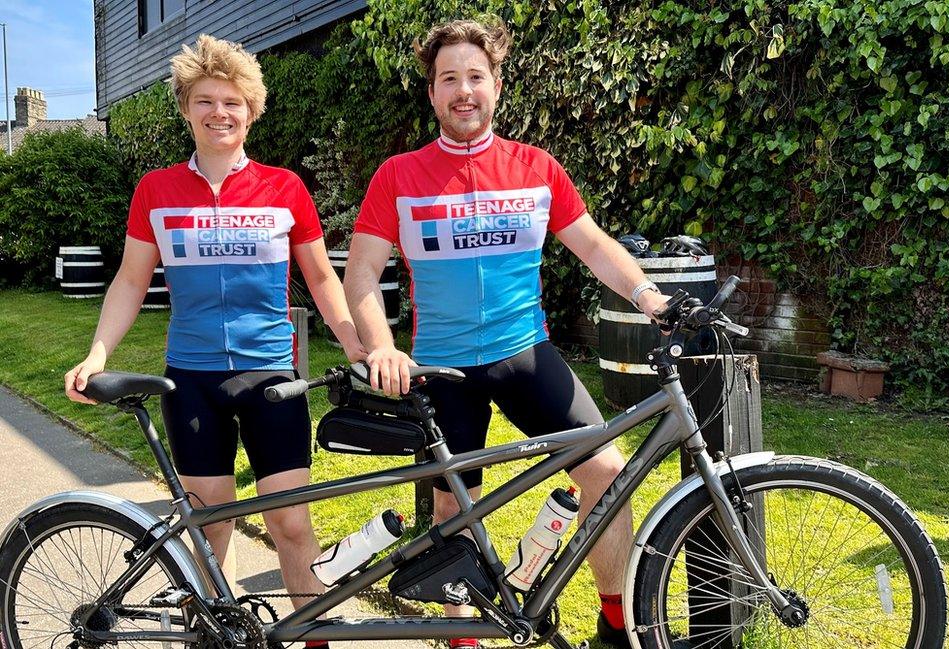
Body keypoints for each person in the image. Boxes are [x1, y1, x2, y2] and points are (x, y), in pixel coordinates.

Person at [343, 17, 670, 648]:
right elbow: (361, 276)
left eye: (475, 76)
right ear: (432, 93)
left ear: (496, 84)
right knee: (453, 509)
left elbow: (595, 247)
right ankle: (461, 639)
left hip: (524, 353)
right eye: (448, 79)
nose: (463, 90)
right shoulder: (398, 175)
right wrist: (382, 346)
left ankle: (617, 625)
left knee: (604, 467)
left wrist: (649, 296)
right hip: (440, 366)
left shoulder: (536, 167)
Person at [64, 34, 364, 645]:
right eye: (205, 100)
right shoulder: (157, 190)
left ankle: (315, 638)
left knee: (290, 522)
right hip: (192, 379)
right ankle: (210, 635)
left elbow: (321, 277)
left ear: (250, 110)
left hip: (271, 375)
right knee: (209, 526)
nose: (219, 113)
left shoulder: (284, 188)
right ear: (186, 108)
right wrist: (98, 353)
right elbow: (129, 279)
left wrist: (357, 343)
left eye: (232, 101)